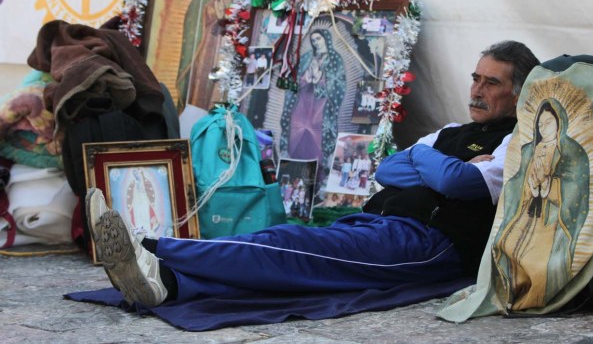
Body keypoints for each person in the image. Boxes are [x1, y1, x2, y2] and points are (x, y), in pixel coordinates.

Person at [86, 40, 539, 310]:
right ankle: (168, 282)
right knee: (291, 249)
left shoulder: (517, 140)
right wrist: (437, 167)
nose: (477, 90)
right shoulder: (451, 132)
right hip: (381, 223)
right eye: (476, 78)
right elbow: (388, 167)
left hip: (426, 243)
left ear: (520, 94)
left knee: (292, 245)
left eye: (491, 83)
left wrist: (435, 169)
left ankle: (153, 247)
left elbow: (460, 185)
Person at [493, 98, 589, 309]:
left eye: (549, 123)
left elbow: (578, 187)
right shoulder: (529, 149)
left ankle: (537, 297)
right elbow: (514, 181)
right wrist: (529, 184)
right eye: (540, 124)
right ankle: (514, 294)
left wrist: (549, 186)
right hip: (527, 211)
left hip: (553, 217)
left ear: (560, 123)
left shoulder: (571, 152)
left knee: (540, 261)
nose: (543, 128)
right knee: (511, 246)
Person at [176, 0, 270, 110]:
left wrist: (238, 17)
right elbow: (195, 14)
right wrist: (211, 13)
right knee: (203, 90)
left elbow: (264, 17)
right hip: (211, 44)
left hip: (241, 45)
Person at [279, 28, 346, 176]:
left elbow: (339, 83)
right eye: (313, 40)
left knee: (316, 136)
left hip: (321, 106)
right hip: (303, 103)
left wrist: (321, 82)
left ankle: (316, 174)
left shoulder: (335, 59)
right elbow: (295, 80)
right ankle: (294, 173)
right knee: (298, 131)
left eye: (318, 39)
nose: (316, 42)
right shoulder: (307, 57)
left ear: (326, 39)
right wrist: (305, 80)